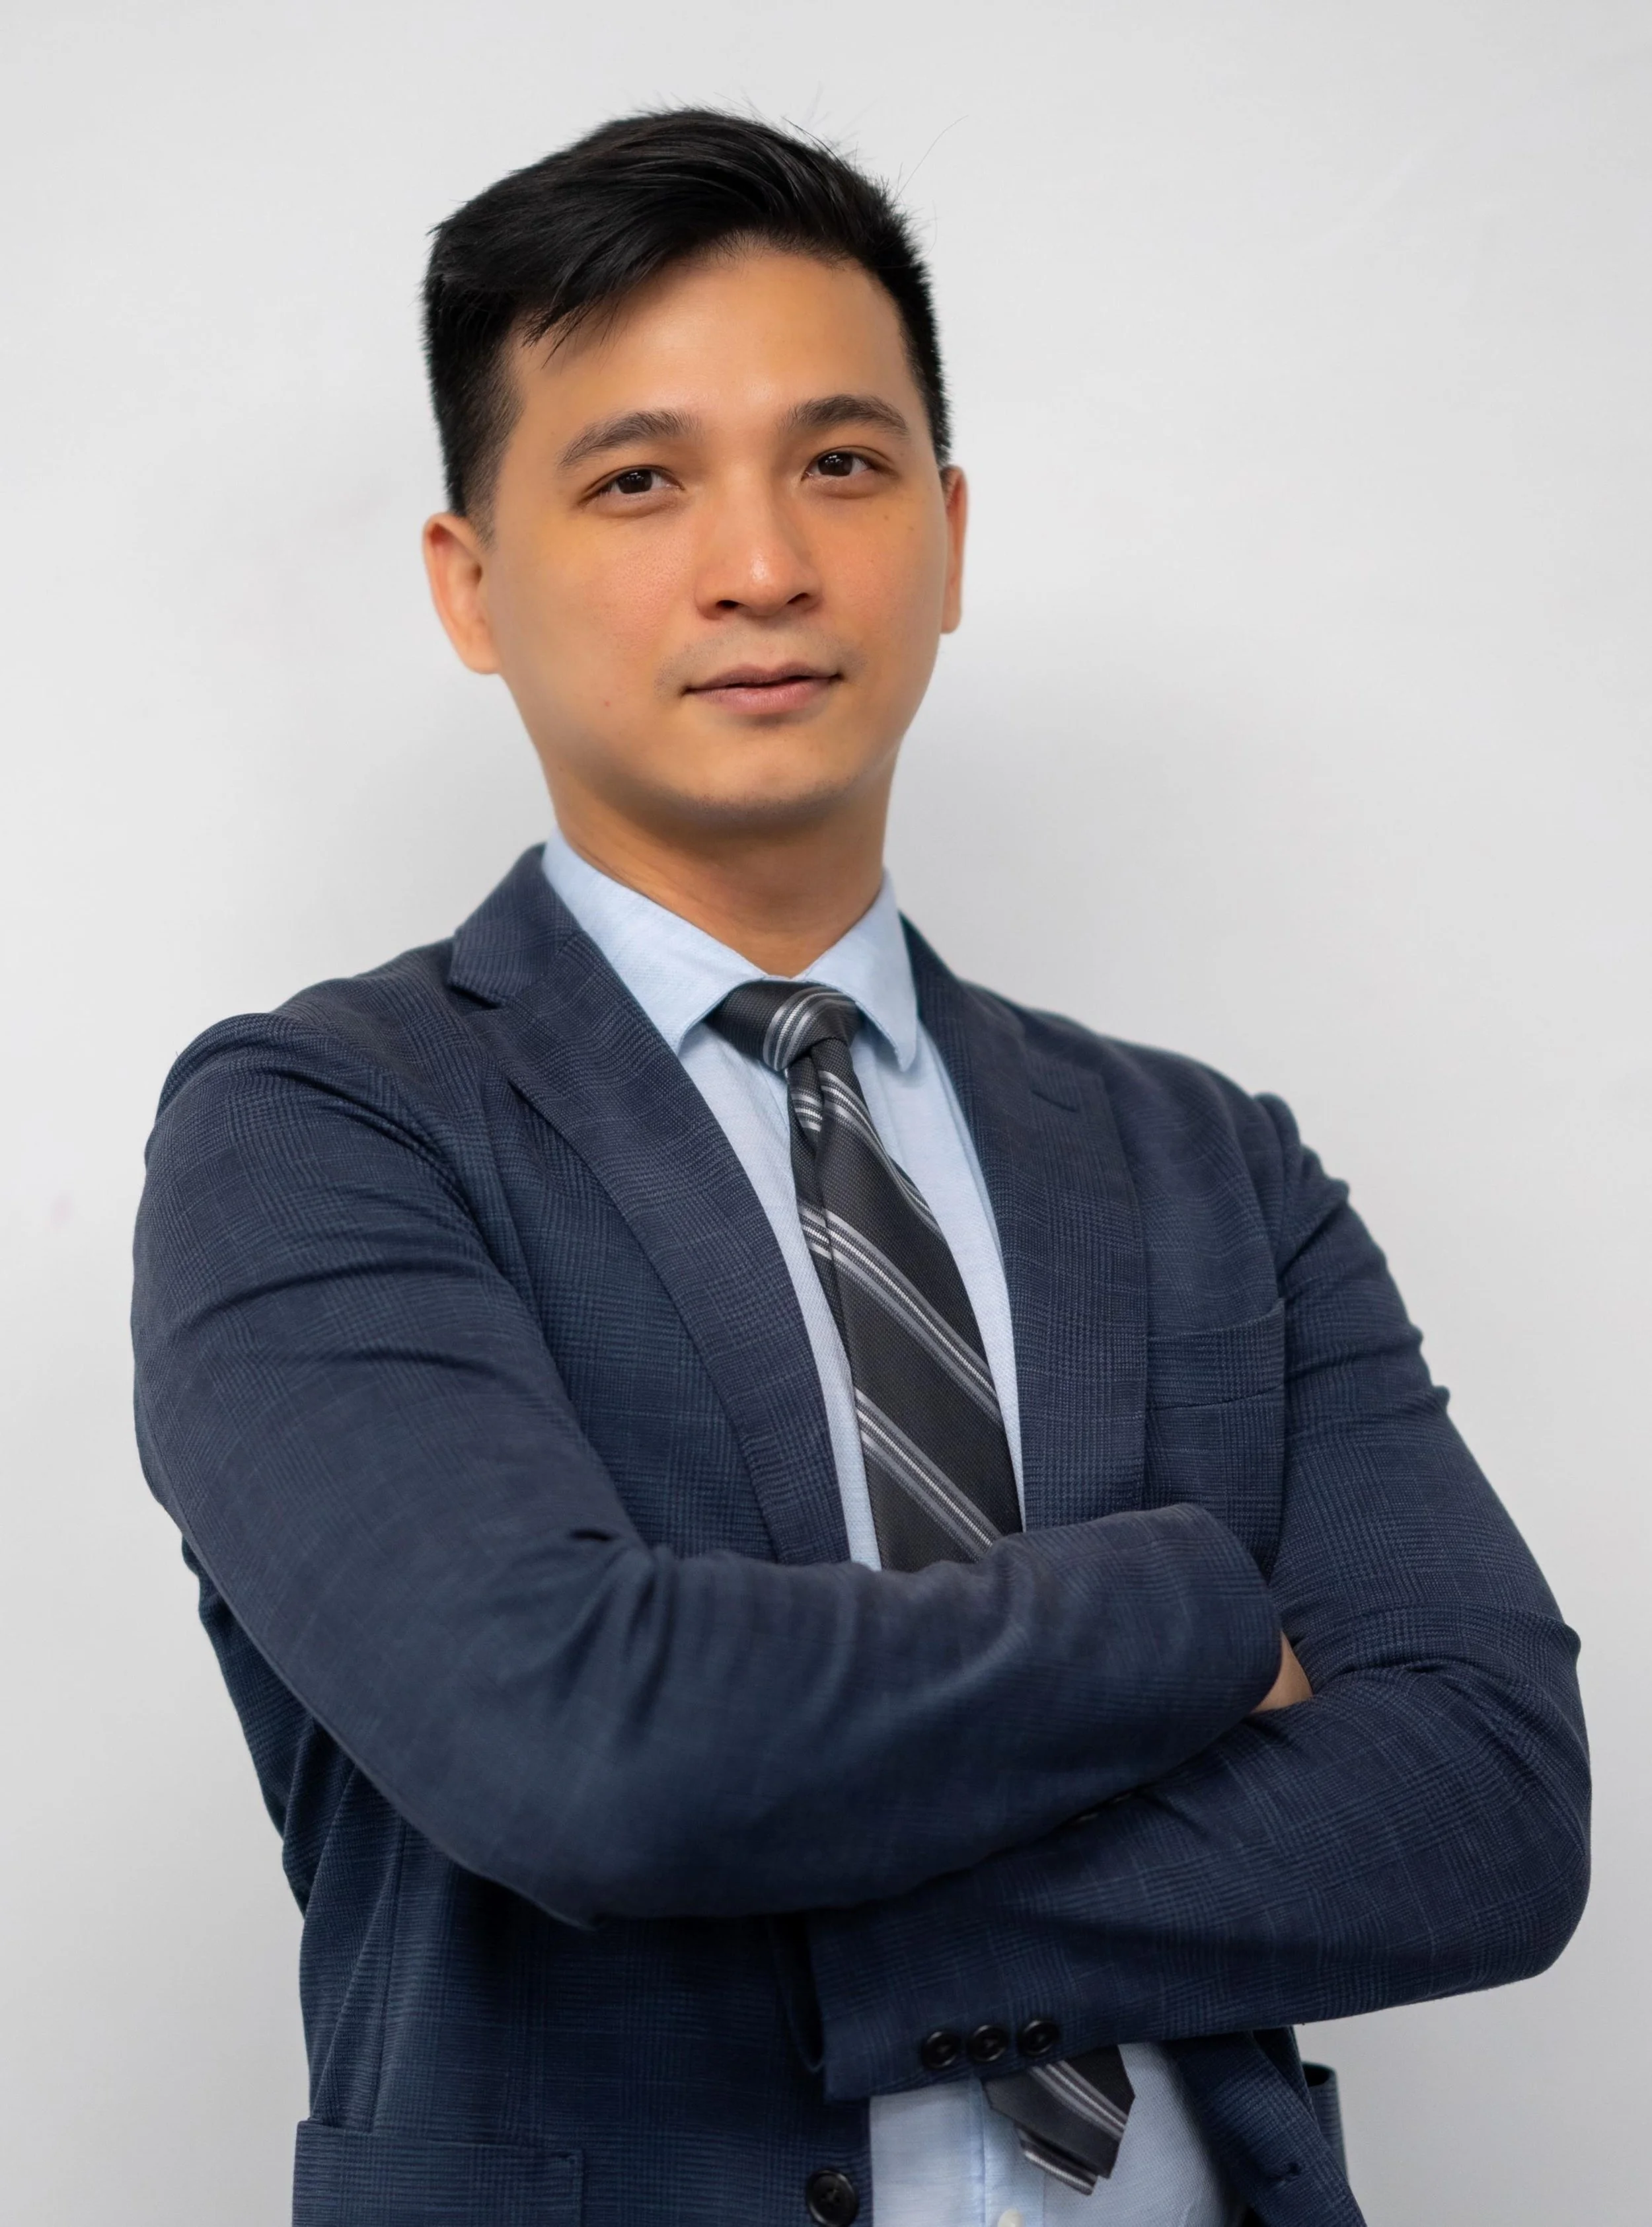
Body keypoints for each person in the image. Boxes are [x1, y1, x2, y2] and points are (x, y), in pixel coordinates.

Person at [131, 110, 1589, 2227]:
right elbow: (579, 1748)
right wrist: (1198, 1614)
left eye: (841, 463)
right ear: (471, 584)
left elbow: (1487, 1806)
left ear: (947, 530)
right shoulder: (324, 1127)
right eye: (639, 481)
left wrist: (833, 1911)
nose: (764, 565)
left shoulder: (1204, 1165)